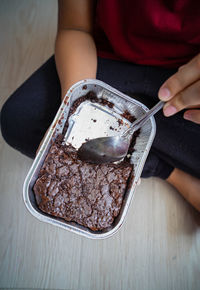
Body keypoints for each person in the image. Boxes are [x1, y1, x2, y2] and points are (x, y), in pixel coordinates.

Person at [1, 0, 200, 211]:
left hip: (188, 80)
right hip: (106, 61)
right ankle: (170, 172)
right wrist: (76, 119)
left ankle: (143, 156)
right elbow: (74, 27)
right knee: (20, 118)